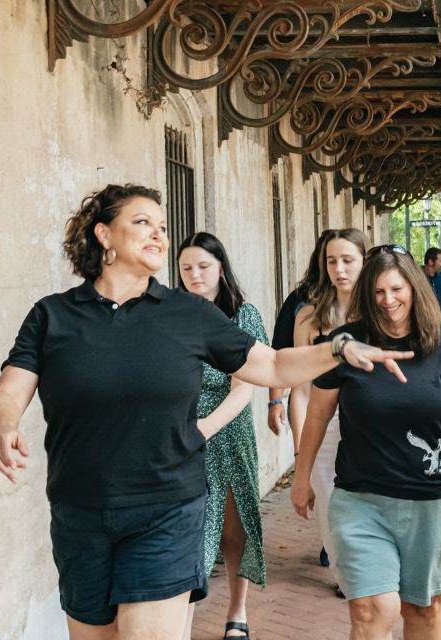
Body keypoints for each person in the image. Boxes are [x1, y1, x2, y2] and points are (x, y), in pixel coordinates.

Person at [0, 184, 412, 640]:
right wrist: (3, 426)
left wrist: (339, 347)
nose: (158, 235)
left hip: (165, 508)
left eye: (162, 227)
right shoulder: (52, 316)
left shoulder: (187, 313)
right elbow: (10, 390)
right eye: (142, 222)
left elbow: (271, 363)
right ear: (103, 235)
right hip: (80, 511)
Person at [291, 244, 441, 640]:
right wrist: (302, 475)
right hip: (361, 498)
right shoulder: (348, 343)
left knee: (424, 608)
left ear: (414, 288)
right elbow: (318, 412)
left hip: (431, 500)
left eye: (396, 290)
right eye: (379, 292)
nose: (388, 301)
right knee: (370, 609)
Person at [176, 232, 267, 640]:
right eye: (186, 268)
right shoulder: (172, 315)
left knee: (234, 528)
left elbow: (244, 385)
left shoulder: (243, 315)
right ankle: (181, 621)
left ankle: (238, 611)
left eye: (203, 266)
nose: (195, 275)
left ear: (221, 268)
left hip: (228, 432)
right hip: (181, 434)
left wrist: (207, 428)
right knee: (187, 532)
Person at [292, 228, 368, 588]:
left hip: (368, 424)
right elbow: (301, 389)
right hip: (323, 427)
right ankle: (344, 573)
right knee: (329, 503)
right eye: (332, 260)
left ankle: (363, 570)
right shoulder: (309, 318)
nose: (339, 268)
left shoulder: (378, 314)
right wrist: (299, 453)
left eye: (348, 260)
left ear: (364, 262)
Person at [267, 230, 334, 449]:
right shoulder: (300, 302)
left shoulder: (365, 305)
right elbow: (279, 353)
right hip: (310, 399)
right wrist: (276, 401)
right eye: (329, 258)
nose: (336, 267)